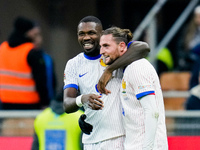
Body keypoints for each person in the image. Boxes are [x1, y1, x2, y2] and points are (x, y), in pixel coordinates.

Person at [63, 16, 150, 149]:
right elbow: (67, 103)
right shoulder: (74, 64)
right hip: (90, 140)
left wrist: (109, 69)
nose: (86, 38)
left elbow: (143, 47)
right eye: (82, 34)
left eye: (91, 33)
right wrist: (82, 99)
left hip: (118, 137)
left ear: (102, 34)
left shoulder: (115, 55)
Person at [99, 26, 168, 149]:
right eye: (101, 46)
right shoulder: (124, 69)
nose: (101, 51)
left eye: (106, 46)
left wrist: (147, 148)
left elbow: (152, 112)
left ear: (121, 46)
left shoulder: (137, 67)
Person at [0, 16, 50, 109]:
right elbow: (41, 81)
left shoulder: (3, 48)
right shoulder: (32, 52)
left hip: (6, 105)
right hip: (29, 105)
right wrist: (45, 103)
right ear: (29, 33)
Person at [177, 5, 200, 71]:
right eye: (197, 17)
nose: (198, 19)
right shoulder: (188, 30)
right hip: (190, 59)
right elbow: (183, 46)